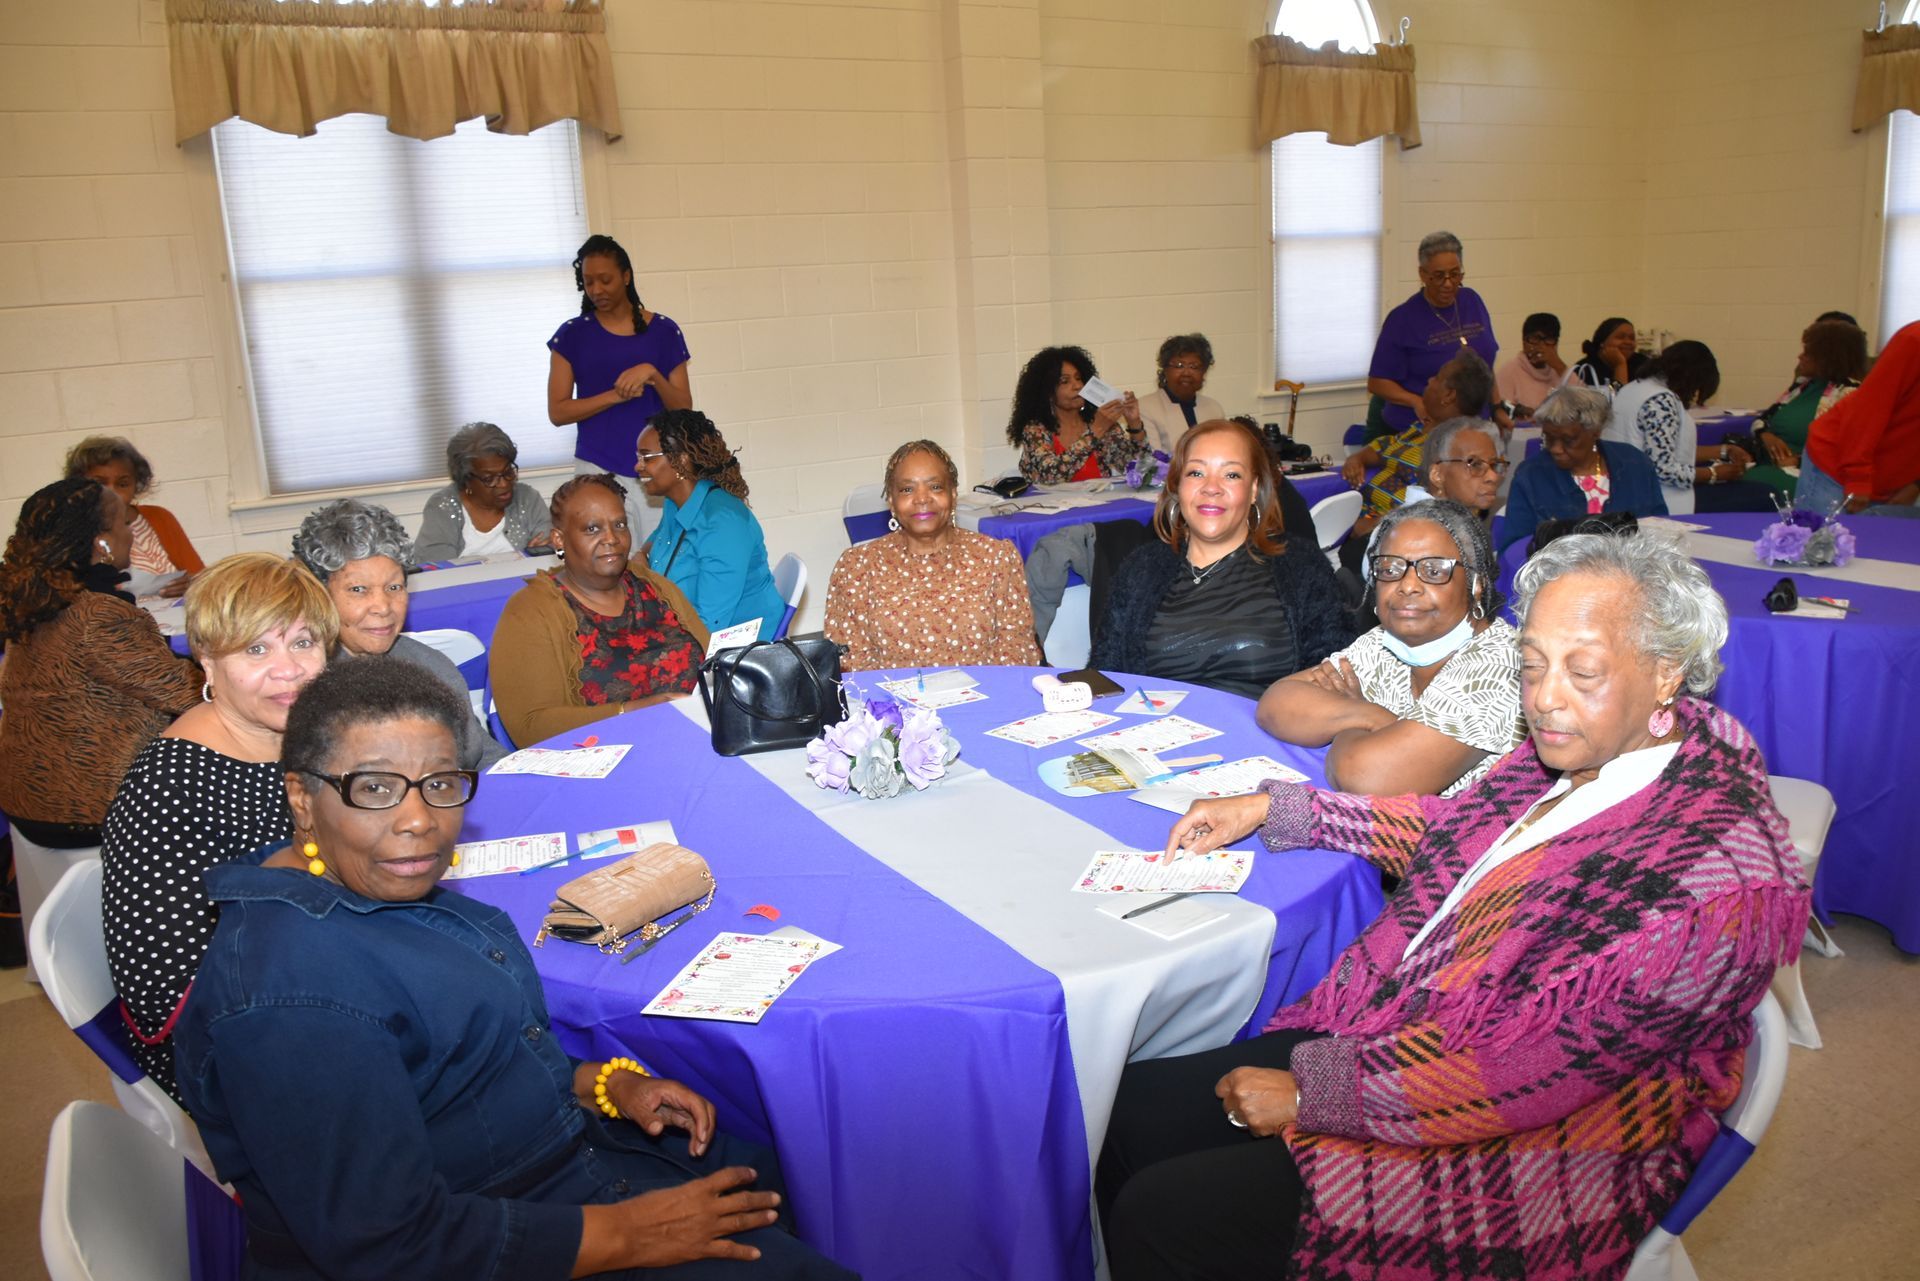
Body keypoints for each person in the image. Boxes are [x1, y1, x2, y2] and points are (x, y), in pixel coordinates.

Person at [1099, 530, 1808, 1281]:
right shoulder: (1584, 750)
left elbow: (1530, 1069)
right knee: (1129, 1113)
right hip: (1414, 1027)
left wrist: (1314, 1094)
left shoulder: (1710, 883)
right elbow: (1460, 833)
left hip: (1544, 1149)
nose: (1545, 698)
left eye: (1583, 671)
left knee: (1164, 1213)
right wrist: (1279, 812)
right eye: (1531, 665)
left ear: (1667, 674)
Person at [174, 658, 856, 1280]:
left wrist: (597, 1085)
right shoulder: (292, 999)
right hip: (481, 1241)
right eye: (376, 787)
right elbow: (389, 1247)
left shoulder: (362, 886)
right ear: (301, 796)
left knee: (788, 1172)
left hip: (531, 1170)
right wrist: (631, 1232)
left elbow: (448, 1067)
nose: (418, 819)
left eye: (439, 783)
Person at [102, 552, 335, 1100]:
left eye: (303, 642)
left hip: (321, 973)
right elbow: (164, 992)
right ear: (205, 660)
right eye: (257, 649)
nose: (289, 669)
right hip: (236, 1048)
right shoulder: (167, 788)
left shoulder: (310, 738)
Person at [1257, 500, 1523, 798]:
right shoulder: (1385, 643)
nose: (1407, 586)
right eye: (1390, 569)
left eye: (1434, 570)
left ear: (1476, 584)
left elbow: (1365, 777)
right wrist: (1368, 715)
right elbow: (1276, 704)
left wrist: (1345, 724)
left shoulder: (1501, 666)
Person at [0, 479, 201, 846]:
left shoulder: (35, 603)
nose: (131, 534)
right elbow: (188, 694)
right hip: (86, 811)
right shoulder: (99, 614)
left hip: (30, 801)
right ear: (103, 543)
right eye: (123, 524)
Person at [1090, 420, 1352, 697]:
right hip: (1158, 734)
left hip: (1265, 734)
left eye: (1231, 475)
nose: (1211, 487)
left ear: (1253, 489)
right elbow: (1106, 676)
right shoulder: (1141, 568)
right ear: (1177, 486)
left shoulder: (1301, 565)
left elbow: (1334, 682)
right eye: (1196, 472)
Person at [489, 474, 708, 747]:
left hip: (693, 741)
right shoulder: (530, 612)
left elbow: (712, 659)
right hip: (605, 761)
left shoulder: (653, 586)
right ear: (558, 540)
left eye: (619, 525)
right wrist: (633, 712)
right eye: (592, 529)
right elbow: (530, 726)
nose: (612, 539)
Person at [292, 498, 507, 770]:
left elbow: (478, 753)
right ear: (319, 594)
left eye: (394, 587)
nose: (383, 607)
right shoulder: (298, 682)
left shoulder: (431, 666)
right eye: (358, 590)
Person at [825, 440, 1040, 671]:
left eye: (935, 487)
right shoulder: (857, 567)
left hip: (986, 700)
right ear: (892, 502)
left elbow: (1017, 648)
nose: (922, 499)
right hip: (891, 704)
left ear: (953, 494)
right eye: (907, 489)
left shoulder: (996, 558)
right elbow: (849, 659)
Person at [547, 234, 692, 539]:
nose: (597, 289)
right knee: (605, 558)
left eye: (605, 280)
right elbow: (558, 411)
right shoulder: (572, 335)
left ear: (626, 277)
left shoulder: (664, 331)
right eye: (588, 282)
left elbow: (683, 407)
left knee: (659, 559)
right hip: (597, 466)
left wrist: (654, 375)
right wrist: (615, 396)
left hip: (657, 468)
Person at [1337, 351, 1494, 576]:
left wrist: (1371, 526)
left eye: (1437, 378)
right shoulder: (1422, 428)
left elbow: (1442, 511)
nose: (1429, 381)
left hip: (1394, 541)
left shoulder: (1457, 448)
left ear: (1448, 395)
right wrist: (1358, 458)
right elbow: (1384, 446)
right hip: (1365, 524)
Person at [637, 410, 786, 640]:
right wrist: (640, 557)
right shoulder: (675, 503)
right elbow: (657, 542)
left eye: (647, 457)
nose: (638, 466)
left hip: (737, 647)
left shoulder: (722, 524)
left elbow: (709, 624)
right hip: (687, 626)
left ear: (681, 460)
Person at [1605, 340, 1771, 515]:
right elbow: (1662, 470)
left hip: (1626, 490)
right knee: (1767, 494)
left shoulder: (1633, 388)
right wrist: (1713, 474)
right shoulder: (1661, 401)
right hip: (1659, 501)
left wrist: (1723, 451)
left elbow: (1660, 449)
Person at [1502, 387, 1668, 551]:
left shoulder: (1635, 464)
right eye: (1549, 439)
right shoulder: (1531, 474)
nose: (1556, 449)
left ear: (1595, 432)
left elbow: (1661, 529)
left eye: (1568, 440)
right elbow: (1514, 546)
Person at [1366, 231, 1498, 435]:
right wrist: (1416, 401)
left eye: (1455, 274)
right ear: (1422, 274)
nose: (1448, 283)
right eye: (1438, 276)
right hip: (1419, 428)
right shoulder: (1402, 319)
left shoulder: (1472, 301)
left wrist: (1498, 408)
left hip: (1472, 426)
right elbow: (1377, 382)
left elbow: (1486, 368)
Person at [1797, 319, 1920, 516]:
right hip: (1837, 465)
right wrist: (1858, 477)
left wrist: (1916, 484)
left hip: (1894, 478)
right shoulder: (1914, 340)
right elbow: (1869, 408)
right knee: (1820, 541)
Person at [65, 435, 204, 599]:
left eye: (123, 484)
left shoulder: (160, 518)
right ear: (79, 485)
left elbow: (202, 577)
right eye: (100, 483)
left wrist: (191, 585)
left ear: (136, 484)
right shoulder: (73, 532)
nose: (112, 493)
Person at [1744, 320, 1869, 501]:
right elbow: (1762, 420)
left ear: (1828, 357)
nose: (1800, 356)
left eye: (1808, 352)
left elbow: (1847, 451)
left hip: (1807, 475)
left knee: (1751, 490)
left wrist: (1798, 461)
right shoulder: (1802, 386)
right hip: (1768, 465)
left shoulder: (1851, 393)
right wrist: (1766, 435)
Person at [412, 422, 555, 562]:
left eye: (508, 472)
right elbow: (435, 567)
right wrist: (526, 555)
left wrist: (548, 552)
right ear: (466, 479)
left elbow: (555, 554)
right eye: (489, 479)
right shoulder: (442, 507)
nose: (504, 483)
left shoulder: (528, 499)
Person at [1007, 345, 1150, 483]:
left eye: (1078, 378)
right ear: (1047, 392)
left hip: (1100, 505)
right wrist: (1095, 431)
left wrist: (1135, 424)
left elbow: (1141, 471)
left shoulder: (1101, 422)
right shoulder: (1035, 430)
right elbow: (1051, 477)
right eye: (1065, 381)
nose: (1077, 386)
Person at [1136, 333, 1226, 455]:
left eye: (1194, 367)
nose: (1186, 373)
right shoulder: (1145, 407)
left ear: (1203, 372)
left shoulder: (1214, 409)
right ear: (1165, 369)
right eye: (1179, 365)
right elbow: (1152, 461)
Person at [1494, 312, 1573, 420]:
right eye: (1534, 339)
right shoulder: (1508, 372)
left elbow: (1585, 403)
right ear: (1523, 341)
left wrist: (1559, 366)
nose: (1540, 346)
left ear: (1556, 343)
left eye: (1548, 340)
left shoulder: (1559, 370)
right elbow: (1502, 415)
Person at [1570, 316, 1650, 391]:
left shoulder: (1643, 364)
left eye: (1632, 338)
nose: (1628, 342)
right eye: (1620, 337)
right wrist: (1620, 366)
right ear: (1602, 342)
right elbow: (1613, 396)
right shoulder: (1586, 369)